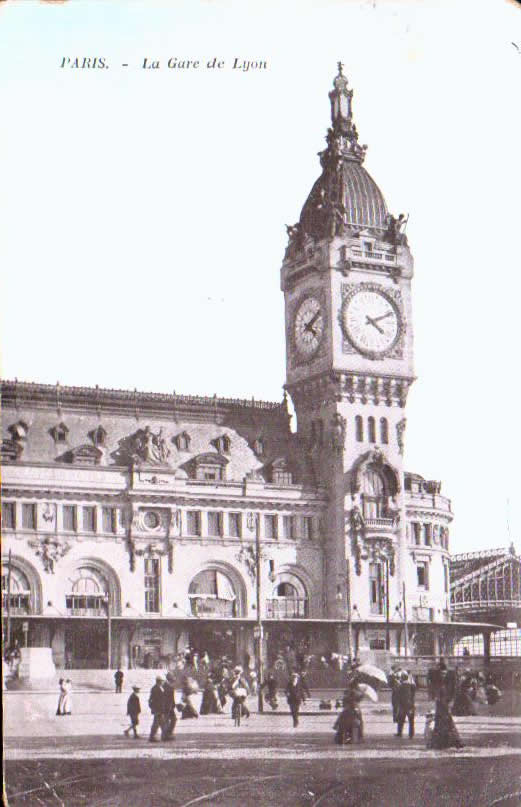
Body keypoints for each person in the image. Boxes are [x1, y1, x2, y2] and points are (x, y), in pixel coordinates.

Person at [428, 676, 464, 750]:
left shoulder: (441, 689)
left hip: (442, 710)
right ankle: (451, 742)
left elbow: (441, 700)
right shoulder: (445, 688)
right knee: (448, 727)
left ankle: (442, 743)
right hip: (443, 710)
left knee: (443, 727)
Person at [396, 671, 416, 738]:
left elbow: (398, 696)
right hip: (410, 705)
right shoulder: (411, 686)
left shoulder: (400, 686)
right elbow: (414, 690)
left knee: (400, 720)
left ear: (402, 678)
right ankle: (411, 734)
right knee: (411, 720)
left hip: (402, 705)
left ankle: (399, 733)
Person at [148, 676, 165, 742]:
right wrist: (154, 709)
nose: (163, 682)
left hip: (160, 709)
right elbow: (152, 700)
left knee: (162, 723)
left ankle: (164, 736)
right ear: (159, 681)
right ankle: (152, 737)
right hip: (158, 709)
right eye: (162, 681)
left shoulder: (159, 688)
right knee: (156, 724)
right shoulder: (155, 689)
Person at [162, 672, 177, 739]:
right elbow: (169, 698)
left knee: (170, 720)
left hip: (168, 706)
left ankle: (168, 734)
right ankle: (166, 735)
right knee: (169, 720)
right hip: (168, 707)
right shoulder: (168, 686)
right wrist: (172, 705)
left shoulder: (165, 685)